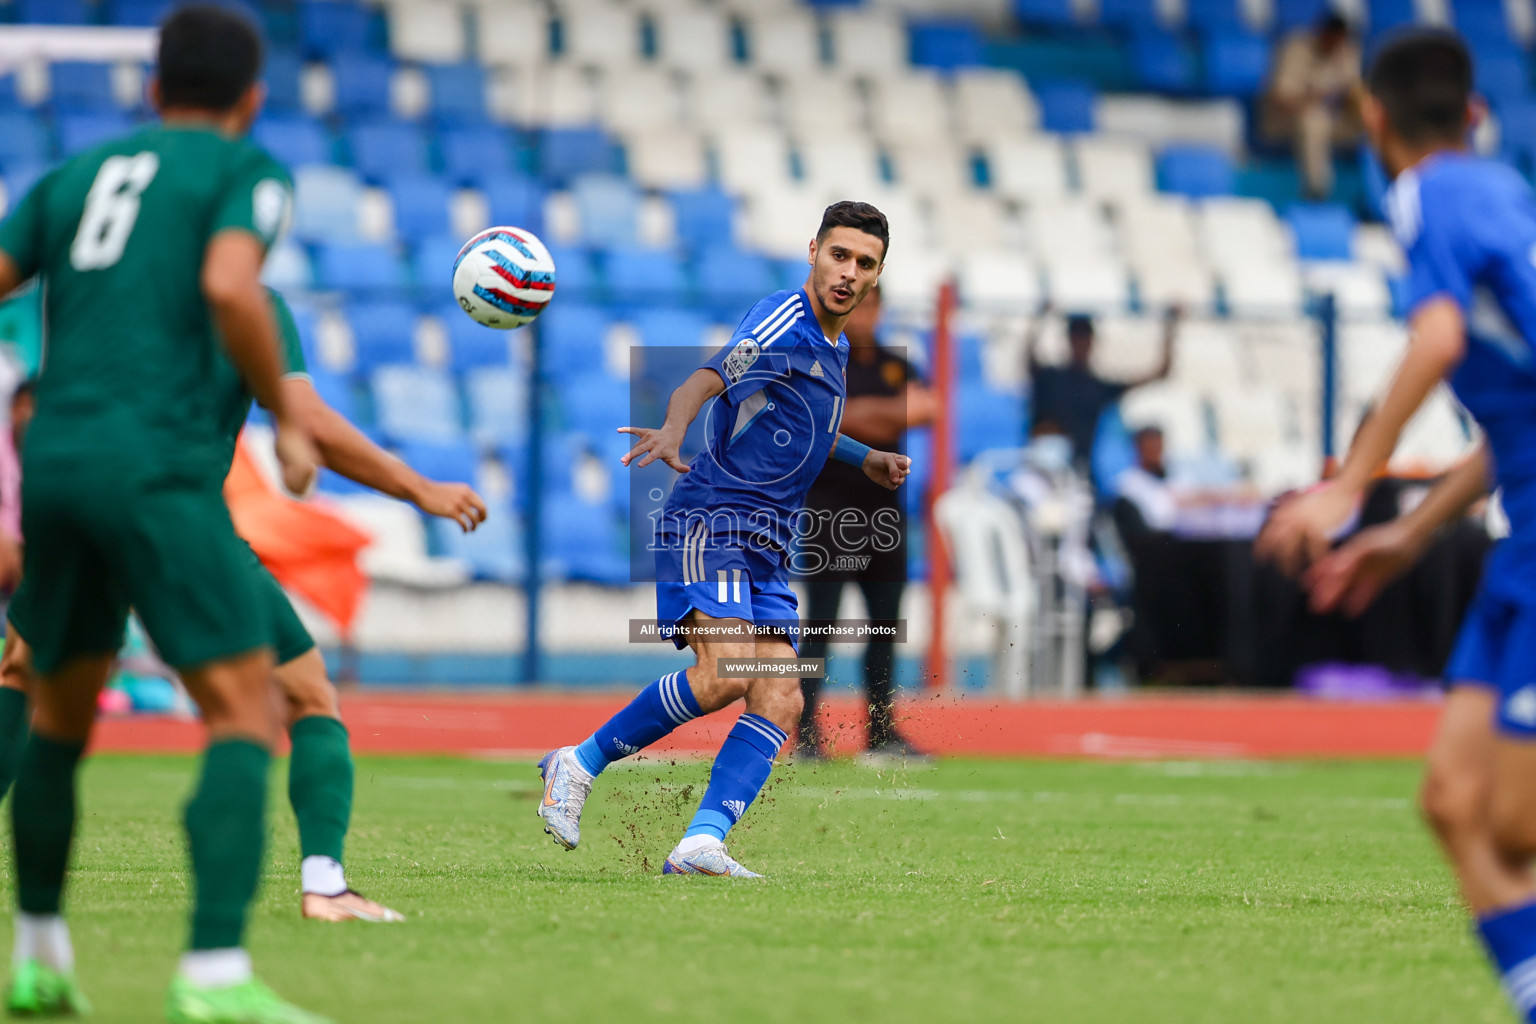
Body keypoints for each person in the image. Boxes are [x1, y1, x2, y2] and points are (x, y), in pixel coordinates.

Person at [0, 6, 329, 1020]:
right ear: (251, 98)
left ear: (152, 88)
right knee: (248, 709)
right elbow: (233, 284)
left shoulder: (73, 176)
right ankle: (215, 974)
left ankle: (40, 955)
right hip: (154, 466)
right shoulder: (246, 171)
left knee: (55, 714)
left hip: (52, 458)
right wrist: (286, 415)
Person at [0, 287, 488, 927]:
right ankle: (320, 889)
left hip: (82, 507)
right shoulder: (249, 300)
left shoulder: (110, 292)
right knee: (304, 697)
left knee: (20, 674)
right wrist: (419, 487)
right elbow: (307, 419)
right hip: (182, 519)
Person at [1256, 30, 1536, 1024]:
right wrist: (1410, 533)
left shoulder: (1428, 194)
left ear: (1371, 118)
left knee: (1511, 821)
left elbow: (1440, 334)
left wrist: (1346, 488)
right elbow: (1516, 419)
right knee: (1455, 803)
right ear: (1474, 113)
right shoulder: (1501, 190)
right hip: (1520, 532)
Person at [536, 201, 909, 877]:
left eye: (865, 263)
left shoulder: (838, 346)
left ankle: (701, 841)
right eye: (839, 255)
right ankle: (579, 762)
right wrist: (676, 426)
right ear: (813, 252)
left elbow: (810, 430)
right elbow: (707, 376)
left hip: (767, 543)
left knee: (781, 693)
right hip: (712, 521)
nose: (848, 272)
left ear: (877, 275)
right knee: (730, 671)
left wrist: (866, 459)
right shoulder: (784, 317)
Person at [796, 283, 936, 761]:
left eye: (872, 303)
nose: (864, 313)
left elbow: (927, 408)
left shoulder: (896, 363)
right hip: (830, 512)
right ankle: (807, 733)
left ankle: (880, 731)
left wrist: (854, 417)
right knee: (819, 628)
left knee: (884, 627)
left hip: (885, 515)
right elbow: (820, 423)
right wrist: (884, 417)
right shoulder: (824, 360)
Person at [1025, 308, 1179, 474]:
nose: (1081, 343)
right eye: (1077, 337)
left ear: (1092, 341)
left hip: (1079, 472)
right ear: (1069, 339)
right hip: (1041, 470)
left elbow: (1160, 372)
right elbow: (1029, 359)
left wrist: (1170, 328)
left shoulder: (1099, 386)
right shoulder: (1050, 378)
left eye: (1085, 337)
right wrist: (1039, 317)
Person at [1261, 12, 1363, 200]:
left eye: (1339, 41)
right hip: (1292, 120)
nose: (1335, 46)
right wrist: (1317, 97)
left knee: (1373, 117)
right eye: (1331, 40)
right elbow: (1282, 98)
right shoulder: (1296, 48)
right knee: (1315, 120)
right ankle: (1316, 192)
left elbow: (1353, 90)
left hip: (1336, 120)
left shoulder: (1346, 51)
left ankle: (1378, 191)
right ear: (1321, 34)